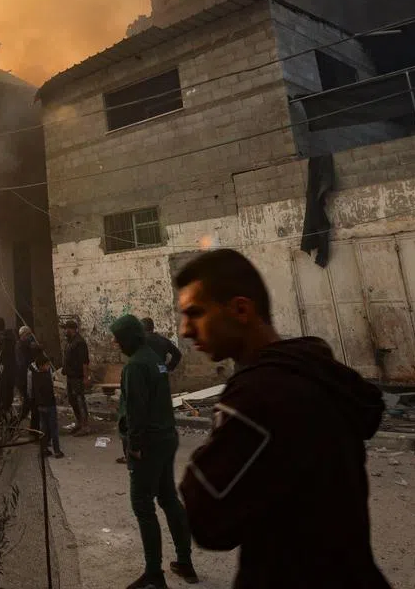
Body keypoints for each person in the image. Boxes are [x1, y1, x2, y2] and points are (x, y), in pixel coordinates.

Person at [175, 249, 391, 588]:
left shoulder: (259, 394)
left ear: (241, 310)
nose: (185, 330)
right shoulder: (315, 374)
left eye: (195, 313)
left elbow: (207, 519)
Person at [111, 315, 196, 589]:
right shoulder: (155, 359)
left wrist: (134, 446)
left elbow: (136, 409)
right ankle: (184, 561)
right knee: (169, 498)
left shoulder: (135, 366)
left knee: (142, 504)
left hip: (148, 443)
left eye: (118, 339)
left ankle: (153, 573)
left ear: (129, 339)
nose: (116, 344)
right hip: (166, 436)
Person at [62, 321, 90, 435]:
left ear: (72, 329)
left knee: (79, 400)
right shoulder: (70, 342)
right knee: (72, 400)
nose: (65, 331)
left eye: (66, 329)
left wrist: (85, 377)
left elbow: (85, 362)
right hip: (70, 376)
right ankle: (79, 422)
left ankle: (85, 426)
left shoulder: (79, 342)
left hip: (77, 376)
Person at [15, 325, 38, 418]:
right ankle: (19, 418)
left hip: (25, 375)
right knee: (27, 399)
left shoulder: (25, 345)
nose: (30, 337)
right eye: (28, 334)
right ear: (23, 335)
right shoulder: (21, 346)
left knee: (28, 400)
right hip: (24, 376)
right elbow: (24, 362)